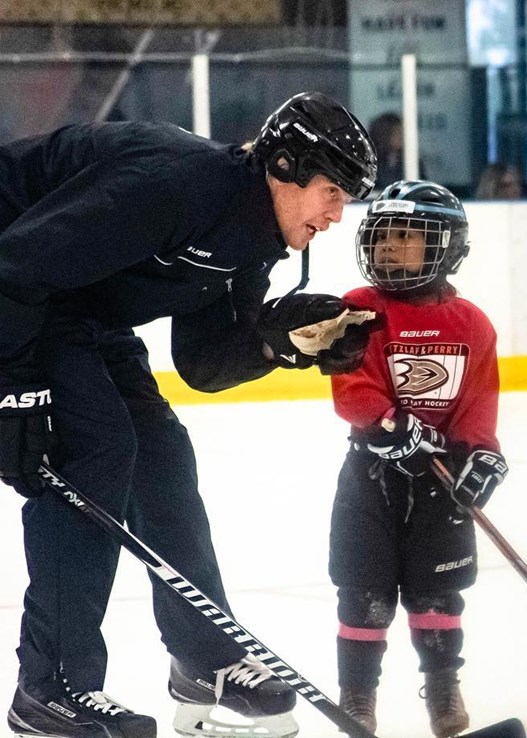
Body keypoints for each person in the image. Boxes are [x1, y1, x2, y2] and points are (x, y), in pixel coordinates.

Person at [0, 91, 377, 738]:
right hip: (19, 291)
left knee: (163, 454)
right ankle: (51, 685)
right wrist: (12, 391)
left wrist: (279, 344)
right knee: (97, 448)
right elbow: (15, 266)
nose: (337, 215)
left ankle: (206, 659)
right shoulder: (176, 183)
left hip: (76, 305)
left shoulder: (255, 239)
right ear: (284, 167)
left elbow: (204, 363)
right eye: (332, 193)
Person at [326, 180, 509, 737]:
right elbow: (352, 390)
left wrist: (481, 455)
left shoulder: (472, 324)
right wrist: (391, 425)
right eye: (383, 235)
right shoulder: (360, 308)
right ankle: (357, 696)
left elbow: (478, 403)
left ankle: (443, 686)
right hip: (371, 479)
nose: (388, 246)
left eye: (406, 236)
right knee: (364, 591)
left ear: (447, 246)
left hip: (439, 481)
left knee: (437, 593)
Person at [368, 112, 425, 192]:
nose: (402, 137)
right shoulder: (371, 162)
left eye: (403, 132)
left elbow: (421, 187)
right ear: (385, 135)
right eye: (398, 133)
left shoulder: (411, 161)